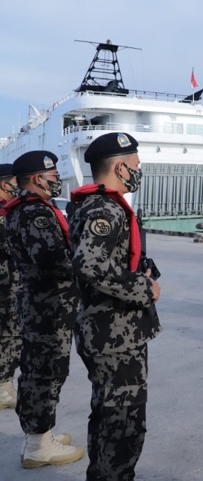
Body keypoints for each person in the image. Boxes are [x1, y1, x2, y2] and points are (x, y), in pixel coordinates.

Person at [69, 132, 162, 480]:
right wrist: (144, 287)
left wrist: (139, 267)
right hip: (114, 336)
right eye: (136, 165)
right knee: (123, 427)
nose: (138, 171)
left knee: (108, 417)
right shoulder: (105, 208)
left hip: (110, 331)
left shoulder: (91, 204)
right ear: (121, 167)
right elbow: (90, 264)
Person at [2, 151, 84, 468]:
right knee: (44, 374)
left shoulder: (23, 210)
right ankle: (39, 444)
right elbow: (52, 262)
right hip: (48, 306)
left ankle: (39, 435)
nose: (56, 180)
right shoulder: (35, 213)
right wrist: (85, 264)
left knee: (41, 371)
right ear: (38, 178)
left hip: (41, 304)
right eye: (52, 175)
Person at [0, 164, 21, 410]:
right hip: (6, 287)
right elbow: (10, 247)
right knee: (9, 337)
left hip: (9, 285)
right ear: (6, 184)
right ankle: (4, 388)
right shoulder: (4, 213)